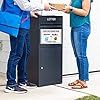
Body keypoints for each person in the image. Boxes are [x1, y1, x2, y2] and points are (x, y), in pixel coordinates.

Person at [4, 0, 54, 93]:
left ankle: (22, 80)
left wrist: (31, 13)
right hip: (18, 24)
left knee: (25, 52)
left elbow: (20, 6)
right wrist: (43, 6)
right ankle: (10, 84)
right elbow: (24, 5)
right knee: (16, 54)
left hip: (24, 24)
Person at [63, 0, 93, 89]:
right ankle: (81, 79)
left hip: (82, 27)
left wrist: (71, 8)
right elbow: (72, 10)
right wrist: (65, 9)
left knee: (81, 55)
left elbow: (85, 12)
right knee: (78, 55)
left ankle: (83, 81)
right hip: (75, 27)